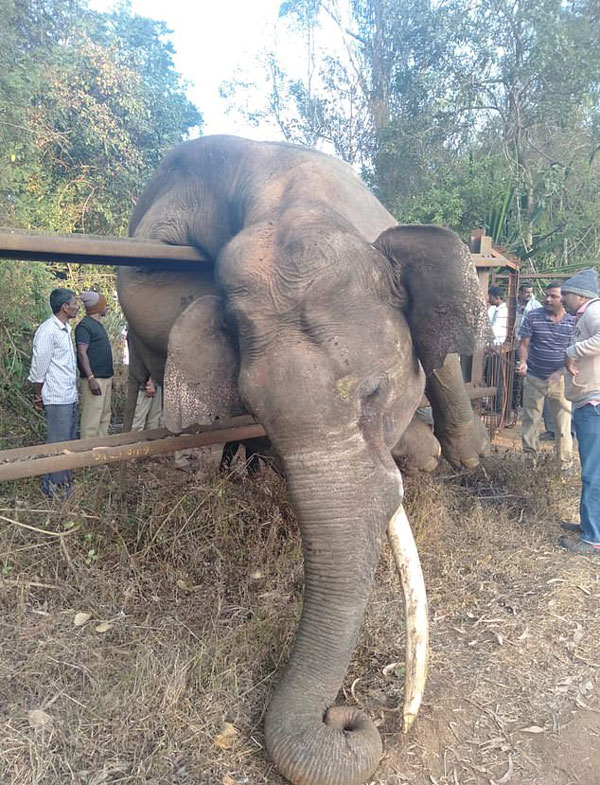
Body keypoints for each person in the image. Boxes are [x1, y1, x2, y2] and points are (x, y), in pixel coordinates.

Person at [559, 268, 600, 555]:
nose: (562, 299)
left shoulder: (593, 312)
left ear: (579, 295)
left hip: (594, 403)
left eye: (565, 294)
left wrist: (573, 352)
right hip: (589, 400)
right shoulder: (586, 315)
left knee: (593, 473)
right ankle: (591, 524)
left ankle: (592, 538)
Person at [516, 281, 576, 468]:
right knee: (530, 423)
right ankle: (529, 465)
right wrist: (523, 362)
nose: (548, 299)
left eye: (554, 296)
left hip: (561, 381)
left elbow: (575, 353)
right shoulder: (533, 316)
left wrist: (561, 372)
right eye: (547, 295)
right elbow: (524, 344)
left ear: (563, 299)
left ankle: (564, 466)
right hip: (534, 378)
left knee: (563, 427)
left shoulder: (573, 322)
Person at [28, 288, 79, 499]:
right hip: (57, 398)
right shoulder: (48, 331)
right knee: (57, 444)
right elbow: (38, 368)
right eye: (74, 302)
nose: (77, 305)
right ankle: (53, 488)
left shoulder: (64, 329)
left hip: (69, 396)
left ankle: (63, 482)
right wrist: (38, 396)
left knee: (66, 442)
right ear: (64, 307)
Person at [75, 291, 114, 438]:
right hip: (94, 379)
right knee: (91, 419)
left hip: (105, 378)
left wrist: (110, 378)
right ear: (97, 307)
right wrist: (91, 378)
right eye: (104, 304)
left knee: (104, 417)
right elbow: (81, 352)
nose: (106, 307)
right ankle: (88, 456)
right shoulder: (84, 326)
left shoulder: (97, 325)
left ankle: (100, 454)